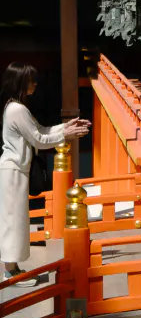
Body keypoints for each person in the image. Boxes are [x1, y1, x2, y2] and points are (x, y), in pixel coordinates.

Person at [0, 63, 89, 284]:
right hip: (12, 171)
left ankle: (13, 268)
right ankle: (10, 272)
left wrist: (66, 126)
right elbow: (39, 139)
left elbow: (41, 130)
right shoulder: (17, 110)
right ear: (21, 81)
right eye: (31, 80)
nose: (35, 84)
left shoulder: (16, 107)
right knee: (13, 220)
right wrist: (66, 133)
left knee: (16, 219)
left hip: (15, 170)